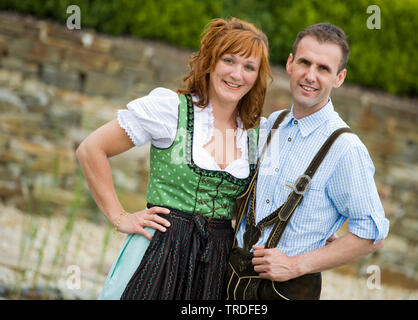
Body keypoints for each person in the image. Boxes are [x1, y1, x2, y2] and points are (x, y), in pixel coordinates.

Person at [76, 17, 272, 300]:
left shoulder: (256, 135)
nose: (237, 74)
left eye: (249, 67)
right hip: (159, 252)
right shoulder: (171, 110)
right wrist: (120, 217)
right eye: (229, 60)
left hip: (214, 265)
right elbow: (91, 149)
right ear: (210, 62)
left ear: (256, 77)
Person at [231, 23, 390, 300]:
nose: (310, 76)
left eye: (323, 68)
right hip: (229, 280)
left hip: (288, 291)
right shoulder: (270, 127)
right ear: (291, 64)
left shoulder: (345, 149)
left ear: (339, 78)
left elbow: (371, 234)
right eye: (305, 62)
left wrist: (296, 264)